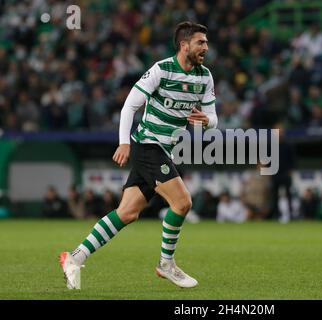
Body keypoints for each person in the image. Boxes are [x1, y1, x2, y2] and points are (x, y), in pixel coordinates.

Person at [59, 22, 217, 290]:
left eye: (206, 42)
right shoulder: (161, 69)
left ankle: (75, 257)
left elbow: (213, 117)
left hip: (166, 150)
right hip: (147, 145)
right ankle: (166, 264)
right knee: (182, 203)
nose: (206, 47)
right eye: (200, 42)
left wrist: (207, 121)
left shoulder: (205, 77)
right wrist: (124, 143)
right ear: (184, 45)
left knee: (127, 212)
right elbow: (129, 106)